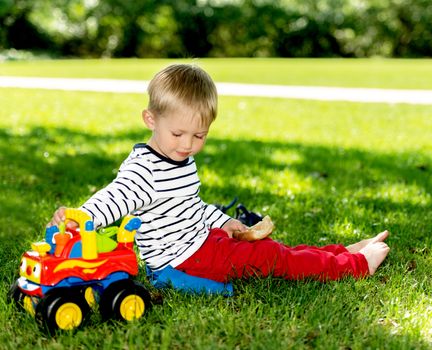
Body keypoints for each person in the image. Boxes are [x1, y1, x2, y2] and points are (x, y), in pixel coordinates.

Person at [49, 63, 390, 289]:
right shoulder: (146, 169)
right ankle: (354, 267)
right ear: (151, 119)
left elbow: (191, 206)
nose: (188, 145)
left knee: (270, 249)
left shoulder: (178, 158)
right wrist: (83, 216)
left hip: (201, 242)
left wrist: (224, 221)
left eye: (199, 136)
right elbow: (116, 196)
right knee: (272, 258)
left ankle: (338, 253)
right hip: (185, 258)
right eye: (179, 134)